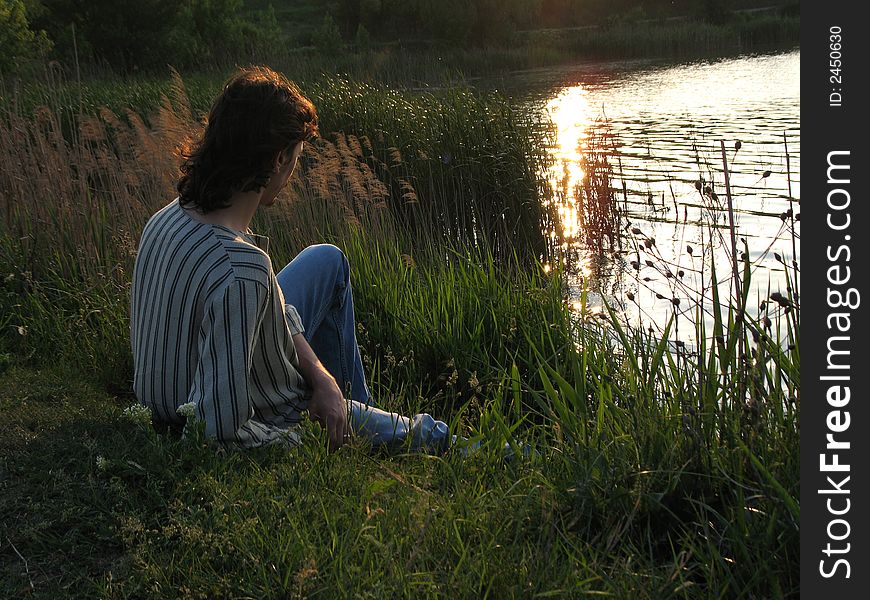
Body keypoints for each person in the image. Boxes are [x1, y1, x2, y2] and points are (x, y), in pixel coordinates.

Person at [130, 66, 451, 453]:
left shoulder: (168, 217)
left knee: (327, 260)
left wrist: (319, 374)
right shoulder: (241, 271)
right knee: (427, 436)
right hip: (253, 408)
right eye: (297, 158)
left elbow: (270, 303)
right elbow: (220, 432)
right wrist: (302, 440)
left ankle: (349, 402)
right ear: (278, 159)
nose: (294, 173)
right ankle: (356, 427)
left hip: (169, 391)